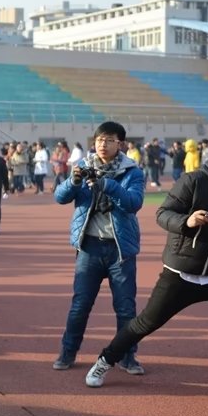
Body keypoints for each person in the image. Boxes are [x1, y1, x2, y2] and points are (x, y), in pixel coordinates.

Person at [84, 129, 208, 403]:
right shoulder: (195, 180)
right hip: (181, 272)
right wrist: (187, 221)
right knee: (145, 323)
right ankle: (104, 360)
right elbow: (163, 213)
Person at [52, 121, 144, 372]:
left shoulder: (132, 172)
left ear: (120, 144)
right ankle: (67, 352)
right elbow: (60, 197)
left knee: (126, 307)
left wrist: (106, 184)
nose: (103, 144)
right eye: (100, 140)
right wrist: (73, 181)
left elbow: (133, 202)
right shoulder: (82, 166)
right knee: (80, 304)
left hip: (120, 250)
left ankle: (127, 356)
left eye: (109, 140)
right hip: (89, 247)